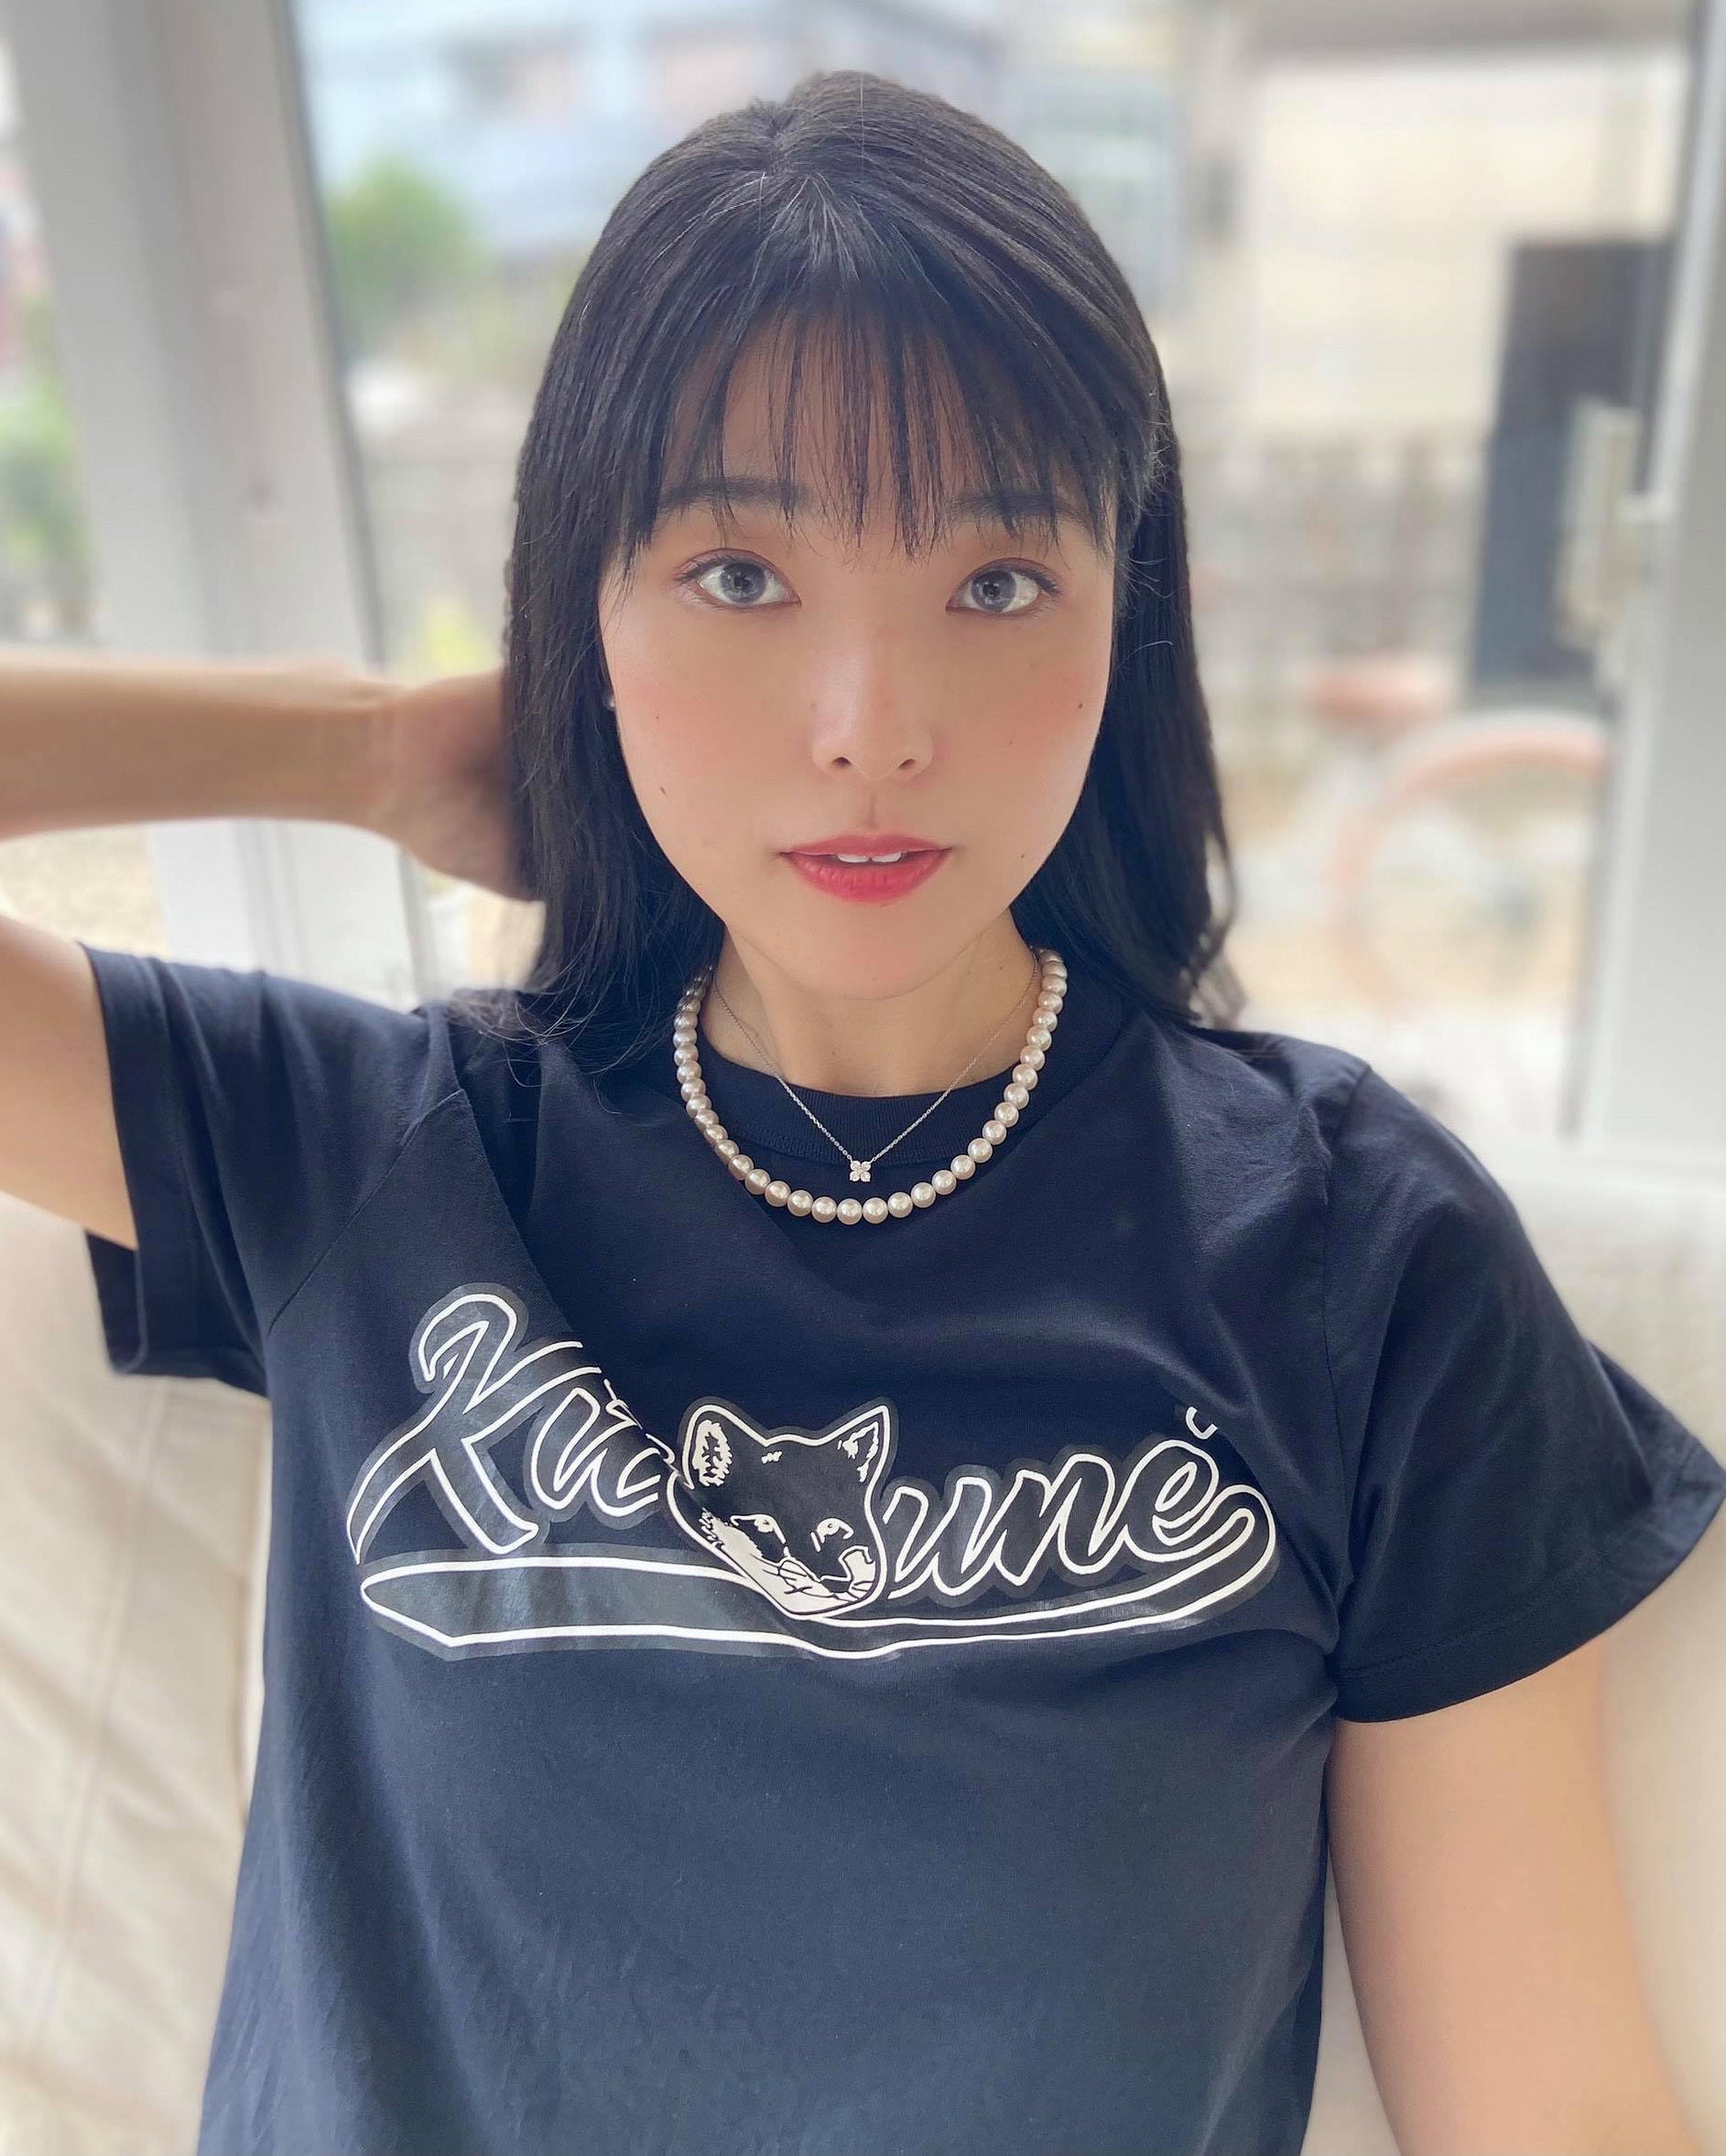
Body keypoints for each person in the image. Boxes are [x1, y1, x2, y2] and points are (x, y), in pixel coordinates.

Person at [2, 66, 1721, 2156]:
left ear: (1124, 615)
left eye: (995, 580)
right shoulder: (377, 1152)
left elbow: (1547, 2110)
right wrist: (363, 747)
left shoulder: (1359, 1257)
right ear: (585, 609)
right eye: (739, 574)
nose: (869, 729)